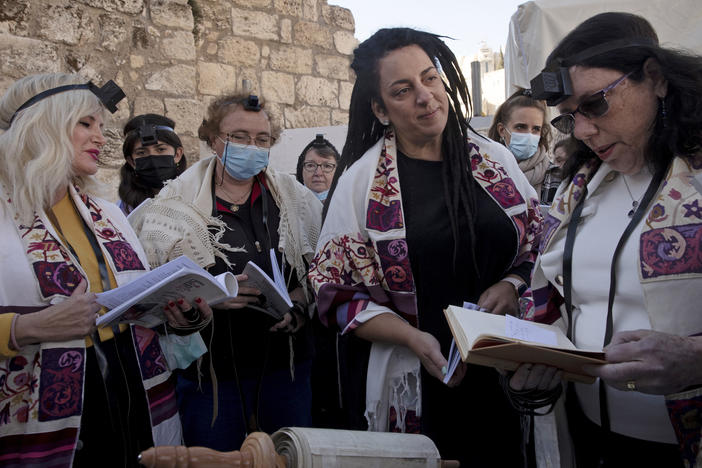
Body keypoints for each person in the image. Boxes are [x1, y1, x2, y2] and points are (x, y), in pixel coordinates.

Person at [308, 28, 543, 466]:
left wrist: (512, 283)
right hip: (417, 375)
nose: (425, 96)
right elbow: (331, 293)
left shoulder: (495, 160)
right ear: (380, 109)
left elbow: (539, 243)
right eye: (403, 90)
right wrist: (413, 338)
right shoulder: (360, 184)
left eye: (430, 78)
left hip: (503, 372)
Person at [510, 11, 702, 467]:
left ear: (655, 78)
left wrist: (697, 360)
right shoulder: (582, 188)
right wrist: (537, 358)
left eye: (595, 105)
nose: (583, 130)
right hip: (589, 440)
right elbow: (562, 300)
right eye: (569, 118)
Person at [0, 73, 211, 467]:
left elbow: (135, 304)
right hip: (40, 405)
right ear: (42, 125)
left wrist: (179, 317)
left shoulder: (109, 215)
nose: (101, 137)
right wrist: (26, 327)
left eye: (102, 126)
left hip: (129, 387)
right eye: (85, 124)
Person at [129, 93, 322, 452]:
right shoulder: (172, 205)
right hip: (210, 379)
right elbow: (148, 295)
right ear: (213, 138)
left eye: (262, 139)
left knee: (288, 457)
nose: (252, 146)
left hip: (287, 370)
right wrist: (207, 300)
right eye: (239, 137)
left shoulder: (295, 199)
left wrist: (299, 301)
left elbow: (322, 270)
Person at [488, 89, 553, 202]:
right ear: (502, 130)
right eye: (520, 127)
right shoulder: (486, 173)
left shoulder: (554, 177)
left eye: (536, 129)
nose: (529, 135)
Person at [118, 114, 188, 215]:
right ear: (131, 161)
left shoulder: (196, 198)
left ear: (177, 154)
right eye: (141, 152)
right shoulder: (122, 211)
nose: (153, 159)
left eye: (161, 149)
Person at [295, 134, 340, 202]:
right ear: (301, 171)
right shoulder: (286, 206)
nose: (318, 173)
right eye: (310, 165)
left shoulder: (348, 205)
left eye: (327, 166)